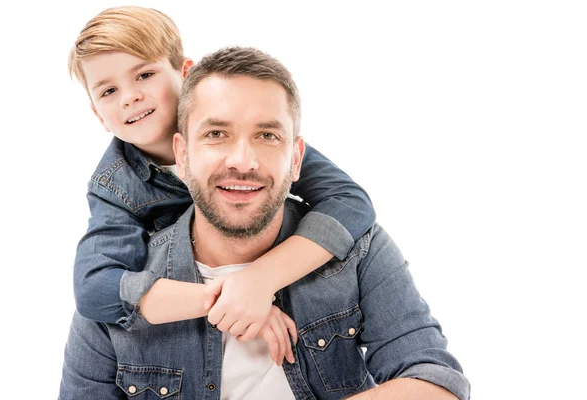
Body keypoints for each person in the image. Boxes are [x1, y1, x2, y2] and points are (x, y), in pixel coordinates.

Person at [60, 46, 470, 400]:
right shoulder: (120, 290)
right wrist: (221, 299)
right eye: (217, 134)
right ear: (181, 155)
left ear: (296, 159)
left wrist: (258, 280)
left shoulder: (360, 250)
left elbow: (436, 383)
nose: (242, 161)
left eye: (267, 136)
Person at [68, 5, 376, 351]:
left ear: (186, 72)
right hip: (194, 335)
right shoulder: (115, 186)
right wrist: (225, 297)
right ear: (99, 115)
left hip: (291, 286)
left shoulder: (249, 129)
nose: (130, 97)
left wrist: (261, 279)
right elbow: (96, 288)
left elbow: (350, 203)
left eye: (144, 75)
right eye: (109, 91)